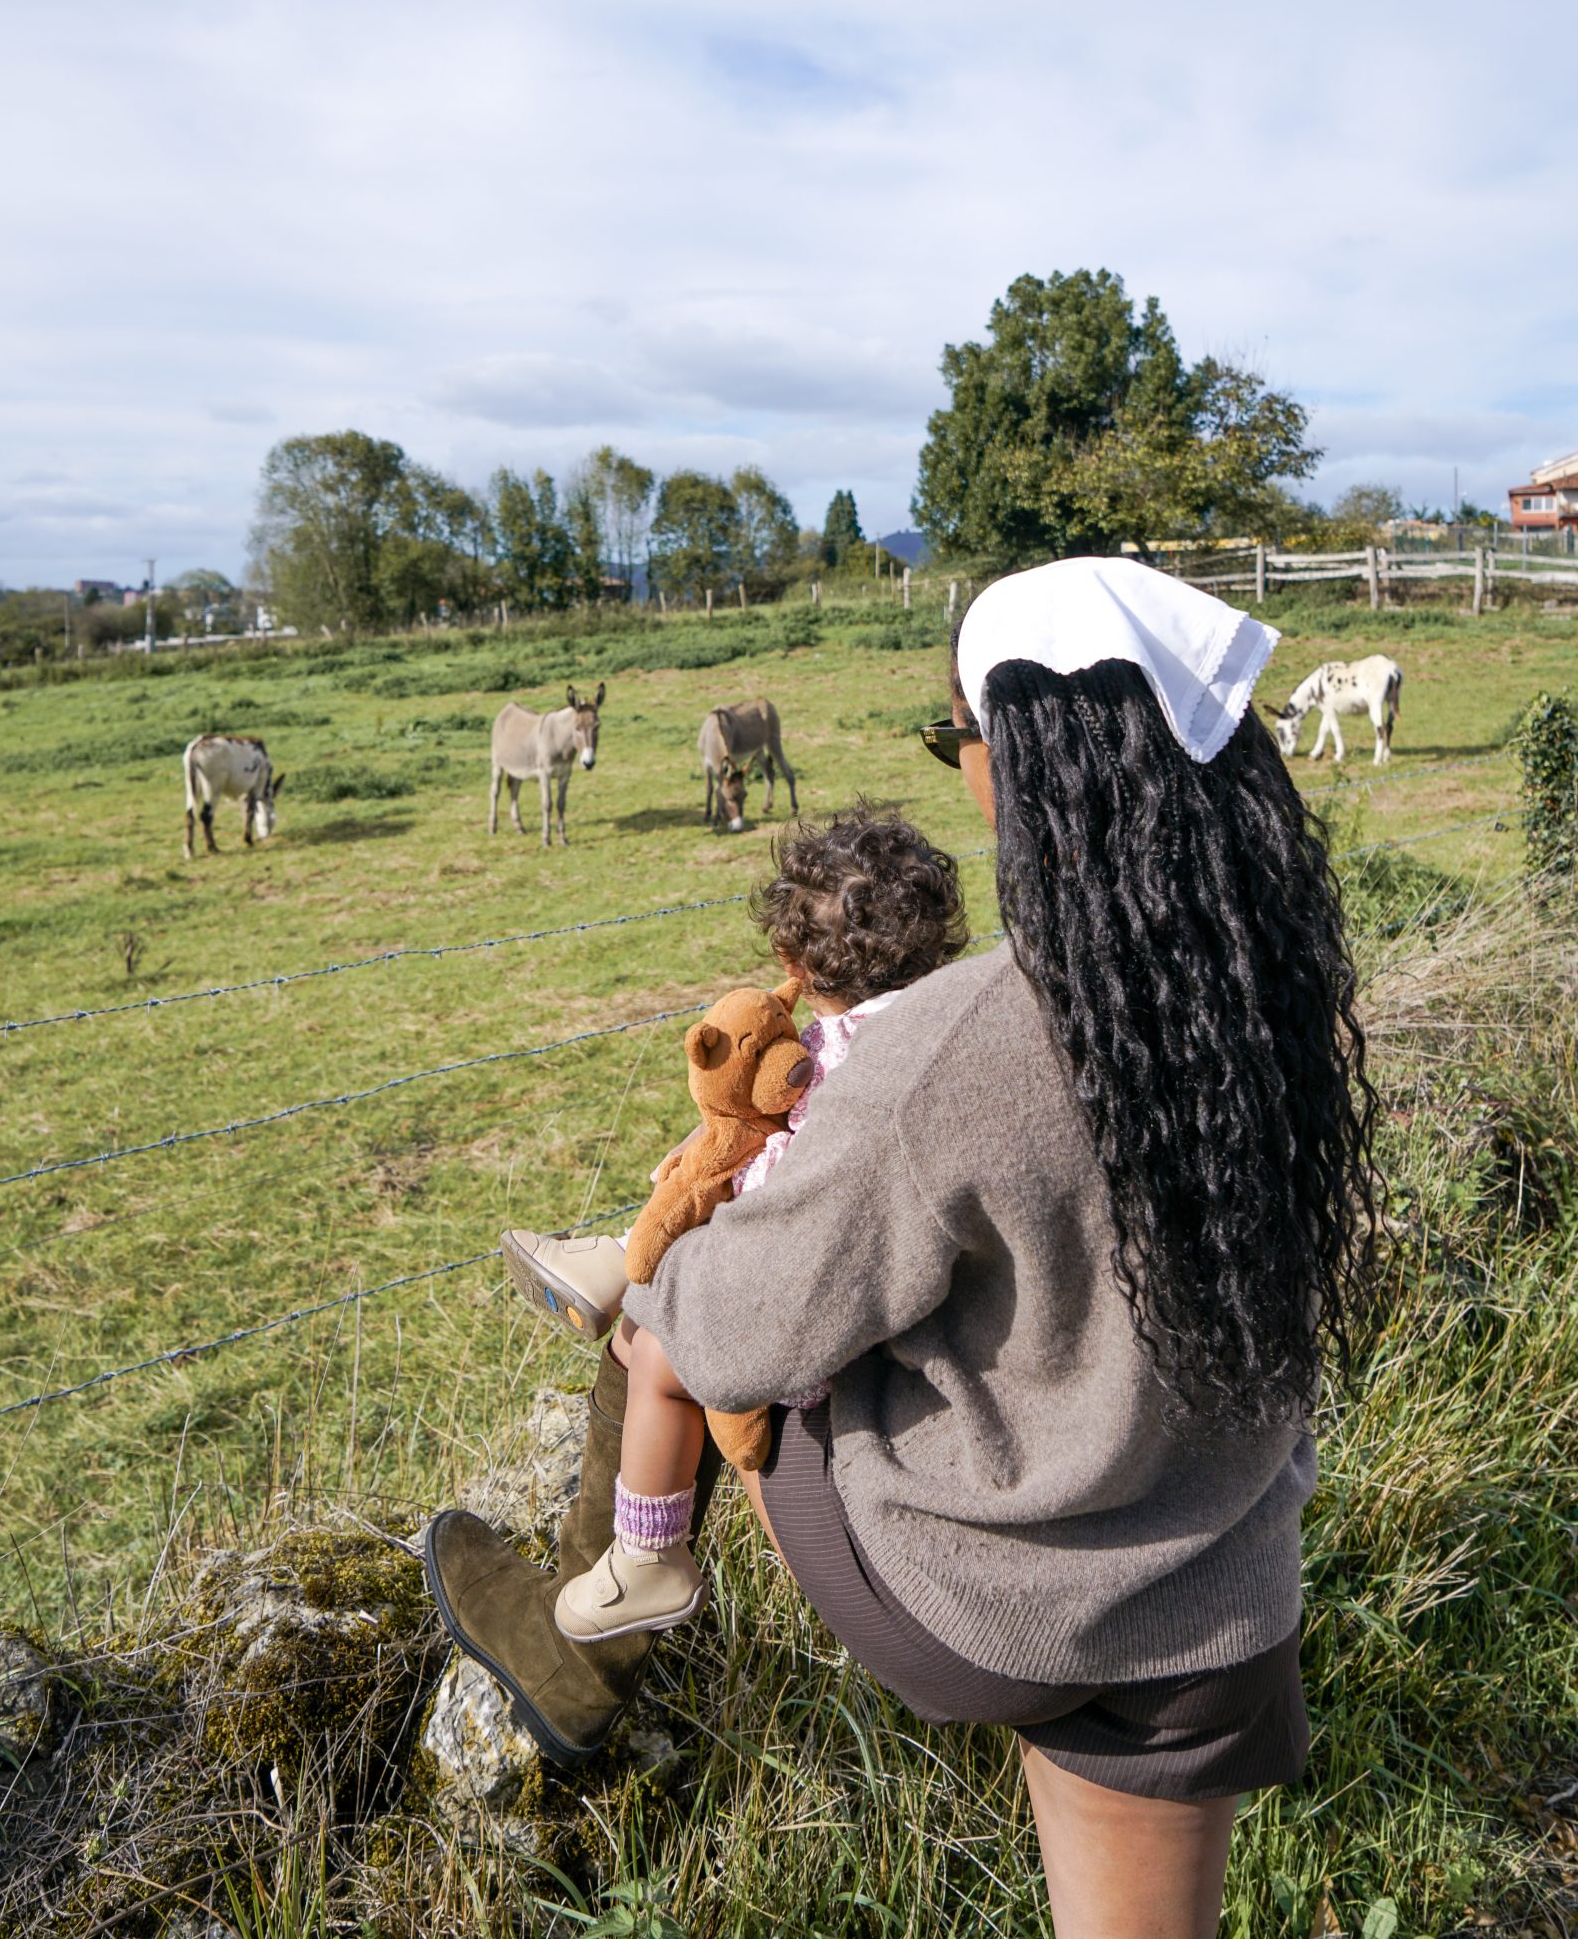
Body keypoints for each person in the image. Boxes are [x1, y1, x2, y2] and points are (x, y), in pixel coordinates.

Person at [423, 557, 1376, 1939]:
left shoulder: (956, 1050)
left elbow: (738, 1329)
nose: (961, 772)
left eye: (959, 738)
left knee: (667, 1330)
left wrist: (679, 1234)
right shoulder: (1265, 982)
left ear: (1030, 761)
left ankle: (587, 1640)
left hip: (995, 1605)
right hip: (1219, 1598)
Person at [500, 806, 969, 1640]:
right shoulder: (950, 1035)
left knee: (659, 1354)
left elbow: (780, 1219)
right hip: (907, 1320)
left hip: (814, 1347)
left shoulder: (836, 1072)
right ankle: (615, 1265)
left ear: (789, 961)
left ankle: (649, 1557)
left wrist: (700, 1202)